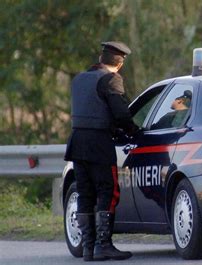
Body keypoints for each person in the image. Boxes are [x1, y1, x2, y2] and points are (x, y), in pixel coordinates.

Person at [65, 41, 138, 261]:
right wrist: (133, 131)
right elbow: (121, 114)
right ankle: (103, 245)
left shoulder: (79, 80)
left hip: (77, 143)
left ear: (100, 58)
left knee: (85, 194)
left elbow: (91, 108)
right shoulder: (111, 79)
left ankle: (88, 249)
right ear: (120, 63)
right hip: (99, 144)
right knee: (108, 191)